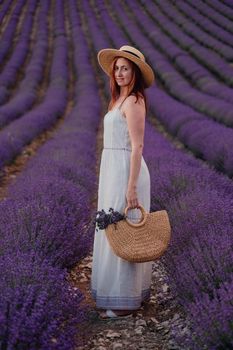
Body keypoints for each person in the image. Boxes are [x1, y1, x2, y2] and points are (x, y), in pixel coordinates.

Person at [91, 45, 155, 319]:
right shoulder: (117, 101)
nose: (118, 72)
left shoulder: (134, 101)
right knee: (112, 229)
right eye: (116, 68)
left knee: (125, 229)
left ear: (135, 72)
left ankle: (124, 301)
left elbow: (138, 147)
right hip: (113, 170)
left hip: (128, 171)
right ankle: (113, 292)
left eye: (124, 68)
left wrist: (131, 187)